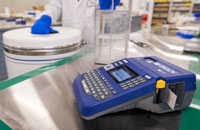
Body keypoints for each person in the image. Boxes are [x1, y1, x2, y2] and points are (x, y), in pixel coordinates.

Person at [31, 0, 120, 44]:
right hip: (69, 45)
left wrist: (109, 8)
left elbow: (109, 15)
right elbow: (54, 7)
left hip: (94, 47)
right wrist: (45, 18)